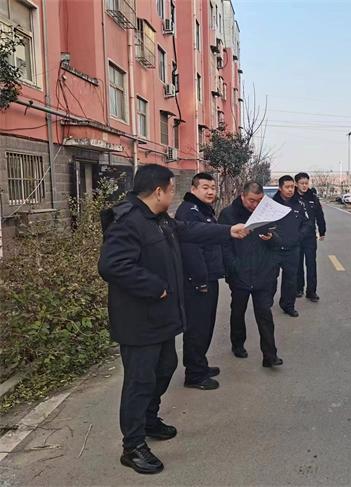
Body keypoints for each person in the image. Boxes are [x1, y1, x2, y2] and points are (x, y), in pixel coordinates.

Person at [98, 164, 249, 475]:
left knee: (166, 366)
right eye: (170, 190)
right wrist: (156, 287)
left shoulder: (159, 219)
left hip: (160, 317)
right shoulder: (128, 221)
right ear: (158, 192)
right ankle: (133, 446)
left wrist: (227, 231)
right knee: (140, 381)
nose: (172, 195)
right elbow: (112, 266)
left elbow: (189, 231)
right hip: (138, 321)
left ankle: (149, 419)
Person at [218, 181, 284, 368]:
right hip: (239, 274)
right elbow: (223, 244)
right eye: (251, 201)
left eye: (259, 201)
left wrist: (272, 239)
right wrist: (233, 266)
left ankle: (270, 356)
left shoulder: (267, 214)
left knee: (264, 314)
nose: (255, 205)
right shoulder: (228, 214)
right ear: (242, 197)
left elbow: (279, 242)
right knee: (238, 311)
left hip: (263, 273)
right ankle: (237, 344)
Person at [175, 173, 224, 391]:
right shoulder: (189, 211)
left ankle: (200, 364)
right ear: (193, 189)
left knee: (206, 325)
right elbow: (190, 249)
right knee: (197, 328)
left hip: (208, 276)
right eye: (205, 187)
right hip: (198, 281)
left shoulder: (203, 210)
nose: (210, 191)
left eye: (213, 187)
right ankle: (194, 374)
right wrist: (200, 280)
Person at [273, 175, 309, 317]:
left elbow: (306, 223)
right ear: (280, 188)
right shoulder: (272, 205)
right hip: (274, 248)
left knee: (290, 280)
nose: (290, 190)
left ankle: (288, 305)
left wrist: (298, 236)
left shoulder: (298, 205)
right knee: (270, 278)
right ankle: (266, 302)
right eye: (287, 187)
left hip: (292, 249)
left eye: (292, 187)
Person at [294, 172, 326, 301]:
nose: (304, 186)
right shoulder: (292, 198)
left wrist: (322, 231)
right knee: (298, 264)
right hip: (296, 236)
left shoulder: (312, 197)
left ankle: (311, 291)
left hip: (310, 237)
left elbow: (319, 215)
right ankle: (298, 288)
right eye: (301, 183)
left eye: (306, 183)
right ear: (296, 184)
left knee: (311, 264)